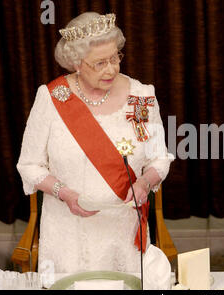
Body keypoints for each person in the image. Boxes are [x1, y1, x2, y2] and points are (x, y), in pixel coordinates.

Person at [17, 12, 173, 273]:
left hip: (123, 233)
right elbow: (29, 165)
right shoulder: (52, 97)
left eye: (115, 58)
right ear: (77, 63)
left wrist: (145, 182)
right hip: (68, 234)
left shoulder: (141, 98)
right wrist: (64, 194)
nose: (111, 68)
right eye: (100, 63)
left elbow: (159, 157)